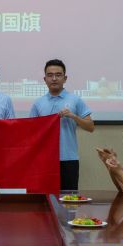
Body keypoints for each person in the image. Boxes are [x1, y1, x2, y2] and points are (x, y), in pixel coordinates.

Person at [29, 59, 94, 191]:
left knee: (68, 198)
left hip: (68, 159)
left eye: (58, 75)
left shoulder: (75, 100)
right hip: (44, 159)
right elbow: (31, 132)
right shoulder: (38, 103)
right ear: (45, 79)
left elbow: (90, 127)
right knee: (45, 197)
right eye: (50, 75)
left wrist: (73, 116)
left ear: (65, 78)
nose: (54, 79)